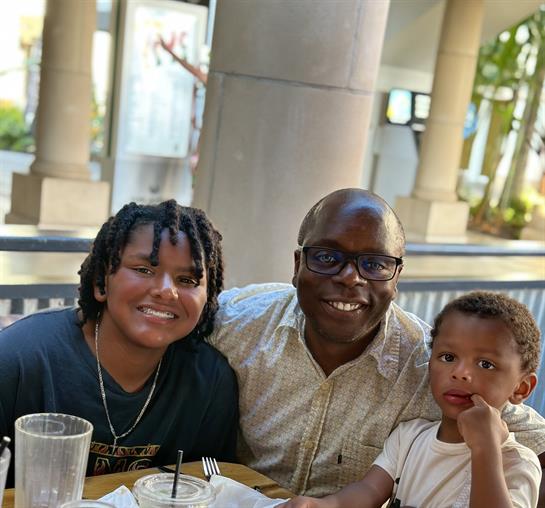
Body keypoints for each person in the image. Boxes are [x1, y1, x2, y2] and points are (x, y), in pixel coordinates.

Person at [207, 188, 545, 497]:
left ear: (396, 278)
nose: (350, 277)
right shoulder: (238, 322)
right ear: (298, 265)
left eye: (374, 264)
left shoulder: (436, 365)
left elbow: (526, 431)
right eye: (327, 257)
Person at [0, 200, 238, 486]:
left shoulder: (210, 381)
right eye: (144, 270)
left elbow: (213, 489)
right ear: (102, 281)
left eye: (187, 279)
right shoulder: (18, 359)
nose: (166, 291)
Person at [279, 291, 542, 508]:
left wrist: (485, 449)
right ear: (430, 366)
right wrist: (325, 505)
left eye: (485, 364)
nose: (460, 373)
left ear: (521, 388)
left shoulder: (518, 463)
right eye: (448, 357)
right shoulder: (409, 437)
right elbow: (369, 491)